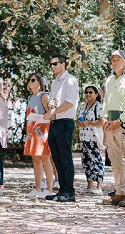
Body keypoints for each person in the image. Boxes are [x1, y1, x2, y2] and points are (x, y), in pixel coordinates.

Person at [102, 49, 125, 207]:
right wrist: (104, 118)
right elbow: (106, 102)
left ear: (124, 62)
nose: (114, 62)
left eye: (117, 59)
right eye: (112, 60)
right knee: (115, 160)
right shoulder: (109, 80)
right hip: (110, 123)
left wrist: (121, 120)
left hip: (124, 123)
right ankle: (120, 191)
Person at [44, 53, 79, 202]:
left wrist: (53, 111)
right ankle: (62, 189)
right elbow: (55, 102)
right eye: (51, 64)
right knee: (56, 158)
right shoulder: (55, 82)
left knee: (65, 158)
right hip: (55, 122)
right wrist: (51, 106)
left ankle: (70, 192)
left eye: (55, 63)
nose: (53, 66)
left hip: (65, 122)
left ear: (63, 64)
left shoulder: (70, 81)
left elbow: (69, 103)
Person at [24, 72, 55, 199]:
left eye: (33, 80)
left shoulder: (44, 96)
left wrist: (40, 119)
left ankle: (49, 189)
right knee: (35, 160)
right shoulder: (30, 97)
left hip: (42, 130)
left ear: (39, 82)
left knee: (45, 159)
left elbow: (50, 113)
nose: (30, 82)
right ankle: (37, 188)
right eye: (29, 80)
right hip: (31, 130)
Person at [77, 85, 105, 195]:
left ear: (96, 94)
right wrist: (79, 123)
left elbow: (101, 122)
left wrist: (89, 123)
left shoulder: (98, 106)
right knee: (86, 162)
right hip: (83, 138)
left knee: (96, 161)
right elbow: (77, 120)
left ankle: (99, 186)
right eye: (86, 92)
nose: (88, 94)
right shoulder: (82, 106)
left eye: (91, 92)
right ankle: (89, 185)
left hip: (93, 138)